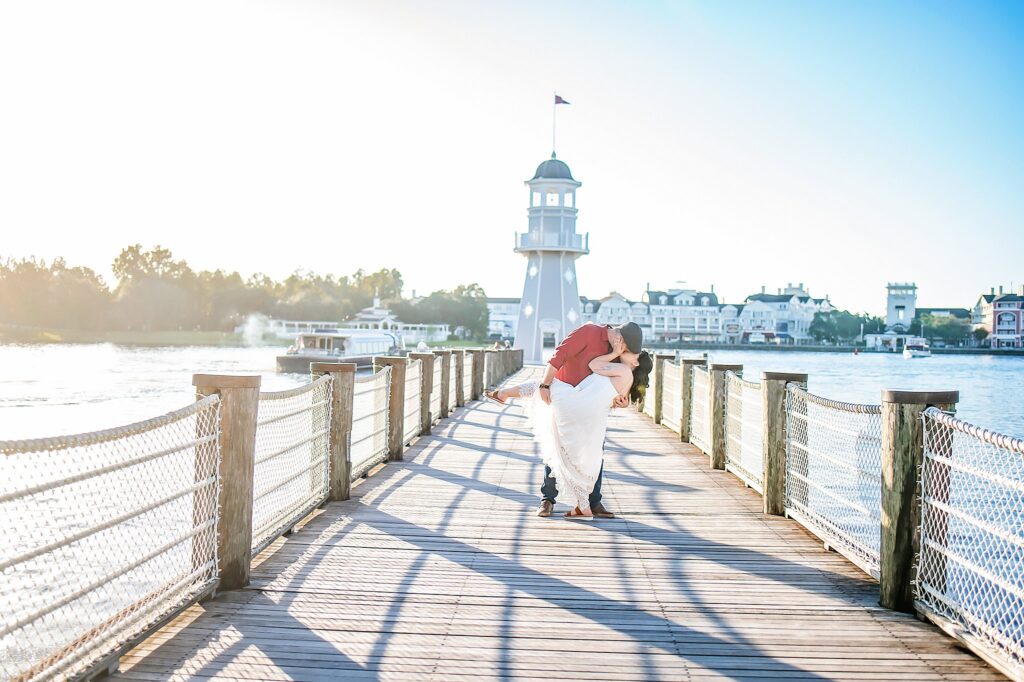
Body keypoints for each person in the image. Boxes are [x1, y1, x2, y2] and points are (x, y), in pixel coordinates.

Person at [489, 321, 644, 518]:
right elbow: (557, 357)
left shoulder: (617, 353)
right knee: (558, 447)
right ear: (621, 339)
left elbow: (610, 383)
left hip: (589, 406)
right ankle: (548, 498)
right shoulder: (589, 332)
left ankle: (593, 501)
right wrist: (545, 385)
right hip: (566, 394)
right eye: (627, 349)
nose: (626, 354)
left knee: (595, 450)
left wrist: (620, 401)